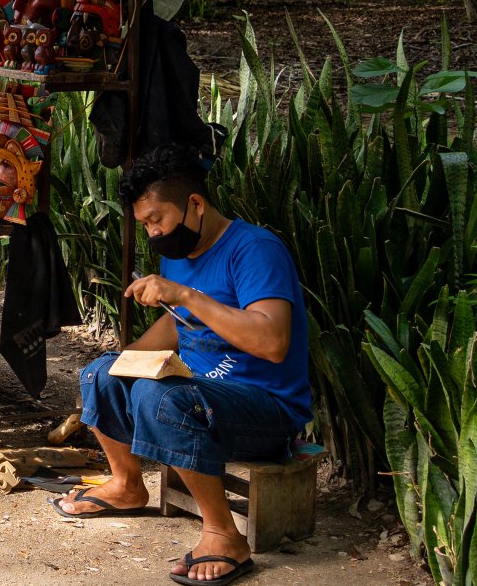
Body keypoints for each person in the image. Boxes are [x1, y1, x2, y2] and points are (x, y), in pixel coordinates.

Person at [49, 145, 311, 586]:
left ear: (195, 204)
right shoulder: (177, 253)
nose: (153, 233)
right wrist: (124, 363)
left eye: (157, 219)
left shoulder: (255, 250)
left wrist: (186, 294)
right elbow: (178, 327)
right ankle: (127, 485)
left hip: (267, 411)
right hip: (199, 394)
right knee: (103, 372)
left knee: (159, 396)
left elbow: (272, 342)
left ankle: (224, 535)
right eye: (145, 224)